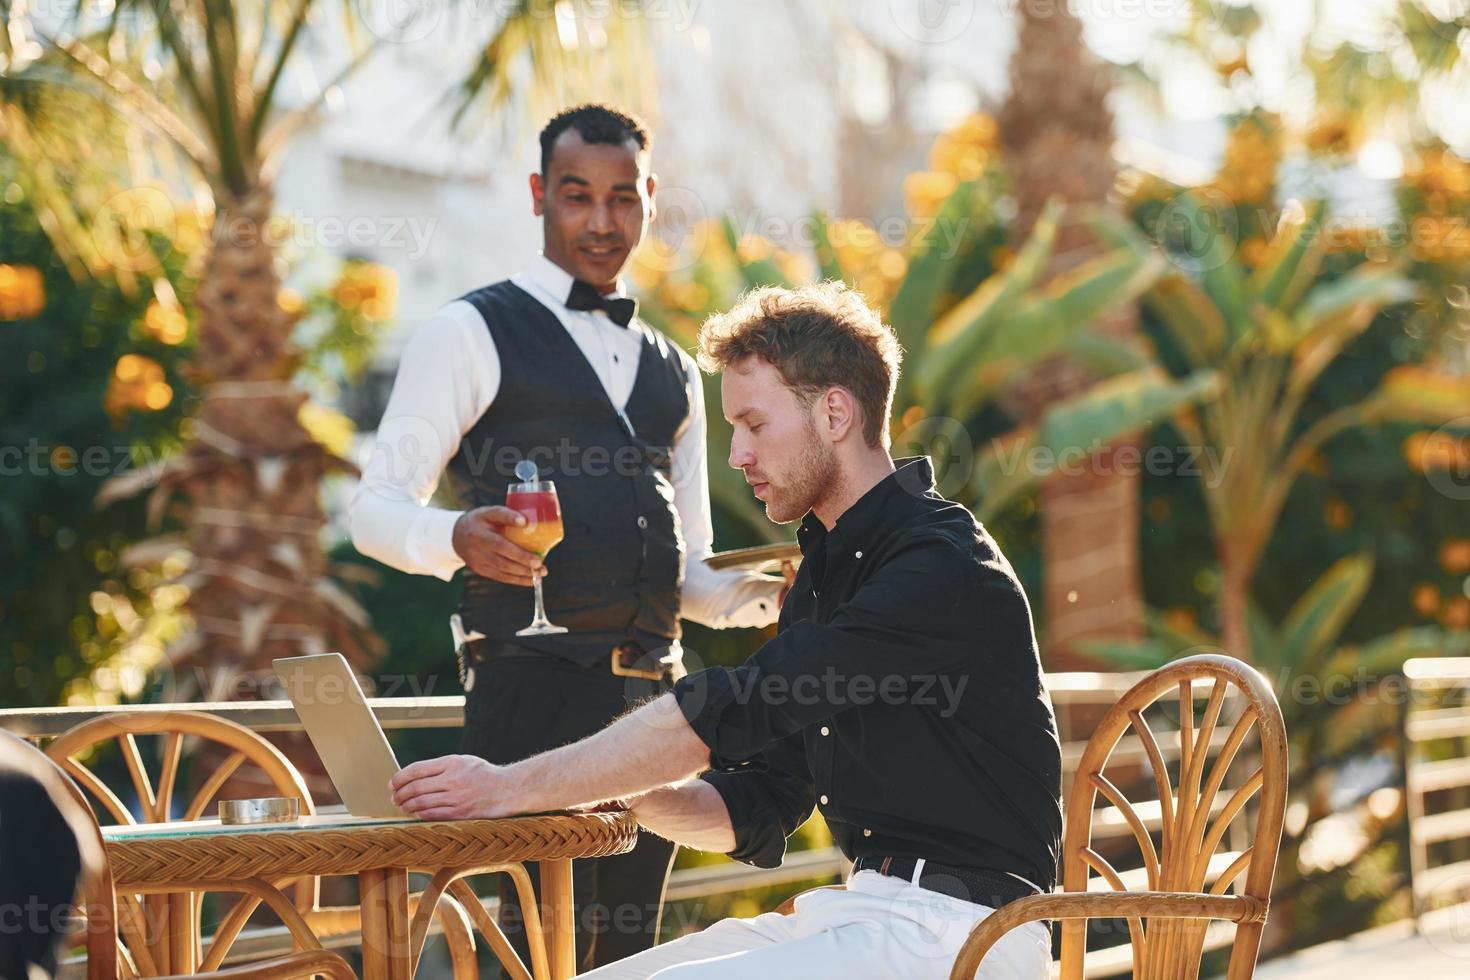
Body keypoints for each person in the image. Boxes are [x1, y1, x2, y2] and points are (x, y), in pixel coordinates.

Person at [389, 282, 1064, 979]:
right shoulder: (825, 578)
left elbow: (740, 704)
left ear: (835, 412)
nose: (737, 454)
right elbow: (765, 800)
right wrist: (627, 787)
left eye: (754, 425)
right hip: (864, 915)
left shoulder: (936, 566)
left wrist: (506, 788)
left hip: (969, 935)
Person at [349, 104, 785, 973]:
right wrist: (456, 535)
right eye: (578, 196)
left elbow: (691, 573)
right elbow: (372, 509)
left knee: (624, 954)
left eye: (623, 199)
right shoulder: (467, 331)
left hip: (656, 711)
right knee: (534, 951)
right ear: (540, 195)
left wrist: (780, 591)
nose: (600, 220)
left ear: (650, 200)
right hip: (528, 697)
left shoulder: (674, 371)